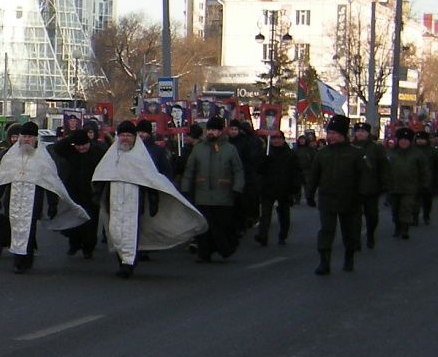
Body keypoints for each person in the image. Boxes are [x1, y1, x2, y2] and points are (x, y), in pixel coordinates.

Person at [90, 121, 208, 278]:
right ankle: (122, 259)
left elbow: (150, 179)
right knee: (116, 232)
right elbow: (102, 176)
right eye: (122, 135)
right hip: (114, 201)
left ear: (134, 137)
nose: (125, 138)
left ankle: (129, 264)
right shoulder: (111, 157)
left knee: (131, 232)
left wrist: (153, 201)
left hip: (135, 202)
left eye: (128, 135)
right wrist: (97, 195)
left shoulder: (142, 157)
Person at [0, 120, 89, 273]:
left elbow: (50, 181)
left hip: (33, 200)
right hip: (13, 199)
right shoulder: (11, 156)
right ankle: (18, 260)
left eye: (29, 137)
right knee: (15, 228)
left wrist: (53, 204)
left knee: (29, 229)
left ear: (35, 139)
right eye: (24, 136)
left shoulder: (43, 158)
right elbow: (3, 178)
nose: (26, 140)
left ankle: (25, 259)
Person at [304, 114, 369, 274]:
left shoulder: (356, 153)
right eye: (329, 133)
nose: (330, 137)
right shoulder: (322, 153)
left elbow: (364, 176)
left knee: (350, 231)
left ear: (343, 135)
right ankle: (324, 262)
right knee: (326, 231)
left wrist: (362, 195)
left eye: (334, 134)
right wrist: (309, 194)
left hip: (350, 199)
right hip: (327, 198)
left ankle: (349, 256)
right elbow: (314, 175)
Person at [180, 116, 246, 261]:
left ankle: (224, 248)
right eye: (209, 129)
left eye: (215, 130)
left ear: (221, 131)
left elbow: (238, 171)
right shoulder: (198, 148)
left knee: (222, 226)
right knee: (203, 227)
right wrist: (185, 188)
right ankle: (204, 253)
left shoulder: (230, 149)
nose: (211, 132)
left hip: (223, 196)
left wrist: (237, 188)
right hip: (202, 195)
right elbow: (190, 170)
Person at [54, 129, 102, 258]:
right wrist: (71, 138)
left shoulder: (98, 151)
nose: (81, 148)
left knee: (91, 222)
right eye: (78, 146)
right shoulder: (71, 151)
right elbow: (57, 147)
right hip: (73, 190)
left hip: (91, 192)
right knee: (73, 220)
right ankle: (74, 244)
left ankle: (88, 247)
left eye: (83, 145)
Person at [253, 127, 300, 246]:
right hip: (268, 188)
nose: (276, 141)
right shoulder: (267, 152)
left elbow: (296, 172)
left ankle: (283, 234)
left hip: (284, 188)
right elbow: (258, 169)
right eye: (274, 138)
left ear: (283, 140)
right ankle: (262, 236)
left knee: (284, 214)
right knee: (265, 214)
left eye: (279, 138)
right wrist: (264, 160)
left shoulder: (290, 154)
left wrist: (295, 189)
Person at [384, 125, 430, 238]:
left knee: (406, 208)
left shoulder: (417, 154)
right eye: (402, 140)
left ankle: (405, 229)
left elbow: (424, 170)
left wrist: (425, 184)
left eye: (406, 140)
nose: (404, 142)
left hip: (410, 187)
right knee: (395, 209)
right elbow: (385, 169)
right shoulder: (391, 153)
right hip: (394, 187)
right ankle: (397, 227)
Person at [351, 122, 388, 249]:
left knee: (371, 215)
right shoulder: (350, 147)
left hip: (371, 187)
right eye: (358, 131)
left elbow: (383, 167)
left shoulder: (376, 148)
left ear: (368, 133)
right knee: (354, 216)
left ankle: (370, 234)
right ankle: (355, 240)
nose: (360, 133)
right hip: (353, 188)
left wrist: (383, 184)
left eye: (363, 131)